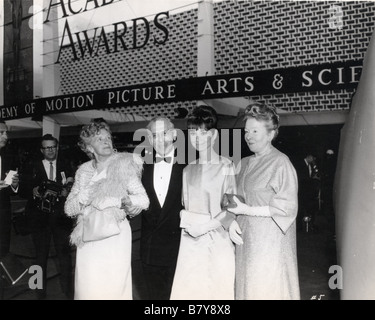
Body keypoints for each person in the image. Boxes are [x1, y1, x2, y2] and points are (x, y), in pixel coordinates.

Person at [65, 121, 149, 300]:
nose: (106, 141)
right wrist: (83, 197)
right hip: (88, 235)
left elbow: (143, 200)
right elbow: (68, 208)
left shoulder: (124, 166)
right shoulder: (83, 171)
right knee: (88, 288)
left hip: (115, 236)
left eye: (108, 137)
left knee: (114, 288)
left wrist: (119, 201)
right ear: (89, 147)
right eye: (99, 139)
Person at [228, 102, 300, 300]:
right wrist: (231, 220)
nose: (248, 136)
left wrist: (247, 210)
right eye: (246, 131)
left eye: (255, 131)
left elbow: (286, 208)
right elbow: (232, 198)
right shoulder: (243, 163)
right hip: (245, 243)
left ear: (271, 134)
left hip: (270, 245)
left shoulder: (281, 162)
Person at [170, 105, 237, 300]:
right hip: (191, 244)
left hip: (218, 243)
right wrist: (183, 213)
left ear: (214, 135)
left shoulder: (227, 166)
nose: (197, 137)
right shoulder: (187, 170)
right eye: (192, 132)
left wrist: (207, 226)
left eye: (203, 132)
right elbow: (186, 206)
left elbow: (232, 208)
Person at [140, 117, 186, 300]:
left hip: (179, 250)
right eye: (155, 135)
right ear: (149, 139)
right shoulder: (140, 166)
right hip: (150, 251)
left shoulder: (190, 164)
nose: (160, 139)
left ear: (174, 134)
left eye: (164, 133)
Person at [24, 134, 74, 300]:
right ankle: (38, 293)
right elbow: (23, 187)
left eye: (53, 146)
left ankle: (69, 292)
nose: (50, 150)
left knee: (65, 257)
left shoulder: (66, 164)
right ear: (41, 150)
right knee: (39, 259)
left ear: (57, 147)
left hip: (61, 219)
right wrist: (33, 191)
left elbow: (73, 184)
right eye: (46, 147)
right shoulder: (32, 165)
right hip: (39, 219)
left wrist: (68, 189)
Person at [0, 121, 20, 258]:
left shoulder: (8, 156)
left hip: (3, 209)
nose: (6, 136)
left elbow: (14, 188)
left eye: (6, 132)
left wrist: (14, 185)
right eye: (1, 132)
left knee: (3, 248)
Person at [294, 152, 321, 232]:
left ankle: (308, 226)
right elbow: (302, 178)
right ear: (309, 156)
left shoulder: (310, 166)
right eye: (313, 158)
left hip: (307, 191)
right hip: (301, 191)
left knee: (308, 208)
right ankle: (299, 228)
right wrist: (312, 179)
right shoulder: (299, 164)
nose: (314, 160)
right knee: (300, 209)